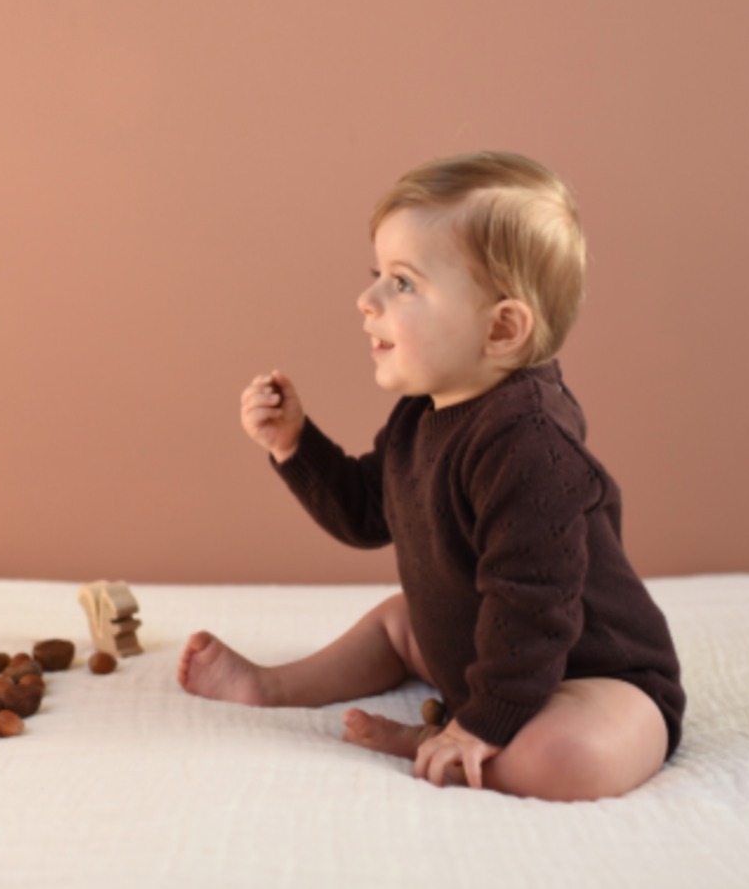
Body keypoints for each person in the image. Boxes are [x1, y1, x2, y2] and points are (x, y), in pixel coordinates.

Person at [177, 151, 684, 802]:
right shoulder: (426, 411)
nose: (366, 301)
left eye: (403, 284)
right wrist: (295, 445)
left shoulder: (531, 445)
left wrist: (480, 721)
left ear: (502, 328)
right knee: (399, 621)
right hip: (484, 649)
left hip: (589, 675)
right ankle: (272, 686)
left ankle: (441, 744)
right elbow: (368, 513)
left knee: (571, 758)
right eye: (377, 276)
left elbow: (535, 606)